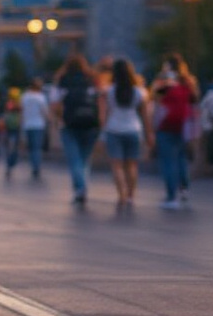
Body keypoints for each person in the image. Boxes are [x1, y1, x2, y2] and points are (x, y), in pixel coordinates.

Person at [99, 57, 152, 208]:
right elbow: (145, 115)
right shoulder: (139, 92)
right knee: (132, 165)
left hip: (114, 129)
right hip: (133, 129)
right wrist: (149, 134)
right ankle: (131, 195)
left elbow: (104, 114)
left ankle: (121, 194)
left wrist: (102, 132)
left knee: (117, 166)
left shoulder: (109, 91)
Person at [151, 52, 199, 208]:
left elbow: (153, 96)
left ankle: (171, 196)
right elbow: (194, 101)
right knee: (181, 158)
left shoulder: (166, 81)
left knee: (168, 161)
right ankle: (184, 188)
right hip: (184, 125)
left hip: (166, 125)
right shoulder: (189, 81)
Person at [53, 54, 100, 205]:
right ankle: (82, 186)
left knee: (74, 159)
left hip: (69, 124)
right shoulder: (92, 80)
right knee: (85, 159)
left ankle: (80, 188)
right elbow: (100, 101)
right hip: (91, 124)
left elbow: (55, 104)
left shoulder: (62, 81)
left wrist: (60, 118)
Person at [17, 78, 51, 180]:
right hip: (38, 125)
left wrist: (20, 123)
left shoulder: (25, 96)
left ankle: (33, 165)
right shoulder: (40, 97)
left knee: (31, 147)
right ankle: (36, 167)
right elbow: (44, 111)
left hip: (27, 125)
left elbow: (21, 111)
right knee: (37, 148)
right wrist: (49, 120)